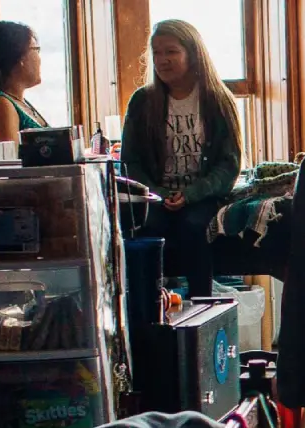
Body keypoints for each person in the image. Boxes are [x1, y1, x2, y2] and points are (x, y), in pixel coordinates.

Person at [122, 20, 242, 300]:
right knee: (147, 228)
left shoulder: (217, 100)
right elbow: (130, 163)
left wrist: (189, 194)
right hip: (155, 196)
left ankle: (203, 305)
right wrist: (159, 194)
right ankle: (148, 309)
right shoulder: (142, 102)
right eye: (156, 52)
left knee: (193, 227)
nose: (162, 60)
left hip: (203, 195)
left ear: (192, 53)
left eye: (171, 52)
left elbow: (229, 165)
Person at [0, 21, 50, 142]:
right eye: (36, 49)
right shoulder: (2, 105)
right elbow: (11, 158)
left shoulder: (18, 101)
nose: (39, 58)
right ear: (19, 57)